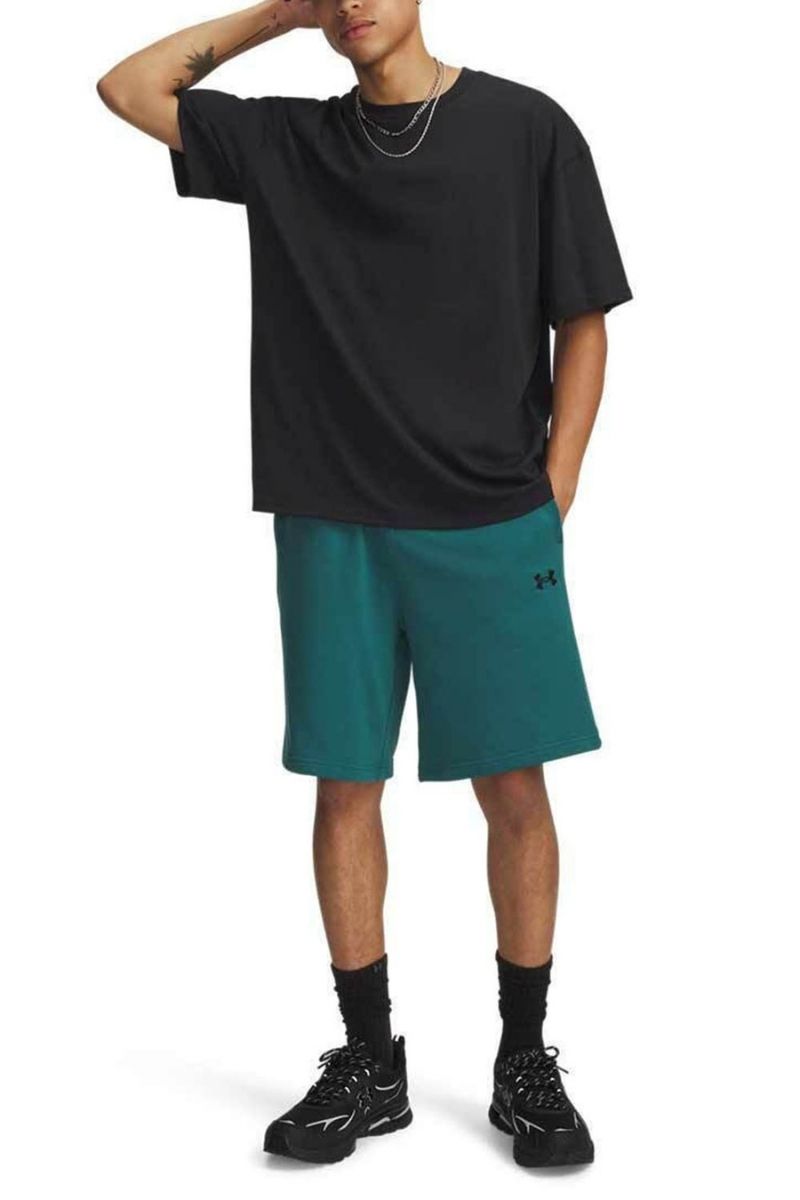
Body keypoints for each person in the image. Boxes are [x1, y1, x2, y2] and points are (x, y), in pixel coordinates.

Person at [97, 0, 632, 1169]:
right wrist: (277, 16)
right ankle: (368, 1061)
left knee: (514, 787)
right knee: (344, 785)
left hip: (487, 516)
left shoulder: (526, 128)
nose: (350, 2)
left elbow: (583, 319)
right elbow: (129, 89)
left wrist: (552, 489)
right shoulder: (290, 142)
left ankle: (524, 1058)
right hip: (331, 514)